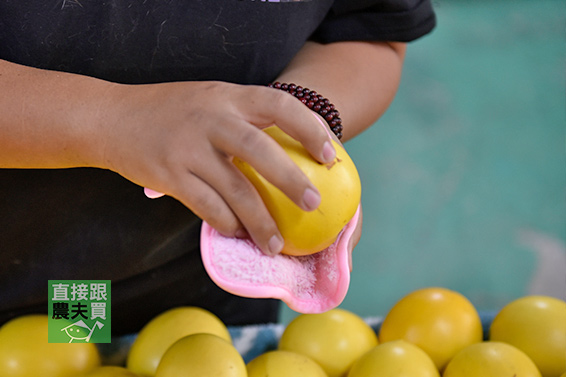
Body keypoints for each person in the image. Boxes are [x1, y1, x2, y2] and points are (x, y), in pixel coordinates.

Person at [0, 0, 436, 335]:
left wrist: (289, 121)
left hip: (199, 290)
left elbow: (365, 27)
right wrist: (112, 120)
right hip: (19, 281)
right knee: (49, 348)